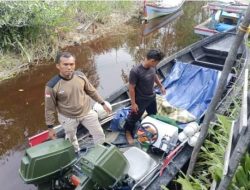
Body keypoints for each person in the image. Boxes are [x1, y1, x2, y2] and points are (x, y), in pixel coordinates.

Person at [45, 52, 111, 152]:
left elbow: (91, 91)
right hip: (68, 117)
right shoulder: (51, 86)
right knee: (71, 139)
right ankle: (76, 152)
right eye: (65, 64)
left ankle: (100, 151)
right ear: (58, 66)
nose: (69, 67)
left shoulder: (80, 76)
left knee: (99, 133)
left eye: (72, 64)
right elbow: (49, 108)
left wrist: (103, 103)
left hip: (87, 112)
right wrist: (50, 128)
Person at [124, 49, 166, 144]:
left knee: (153, 113)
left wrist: (160, 86)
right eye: (156, 62)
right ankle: (127, 132)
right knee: (133, 118)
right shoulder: (135, 71)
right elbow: (131, 88)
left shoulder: (152, 67)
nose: (156, 65)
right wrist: (133, 104)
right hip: (140, 100)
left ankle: (148, 127)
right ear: (152, 61)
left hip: (151, 96)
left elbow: (154, 76)